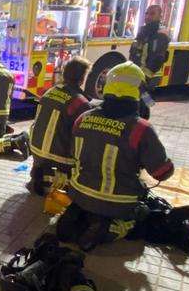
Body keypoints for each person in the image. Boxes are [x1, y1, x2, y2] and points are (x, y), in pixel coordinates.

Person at [58, 62, 174, 251]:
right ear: (138, 91)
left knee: (83, 206)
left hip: (79, 192)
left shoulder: (83, 118)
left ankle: (78, 216)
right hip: (119, 202)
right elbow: (161, 172)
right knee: (144, 216)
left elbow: (73, 153)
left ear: (106, 86)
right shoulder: (141, 129)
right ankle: (111, 228)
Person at [27, 57, 93, 195]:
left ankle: (39, 172)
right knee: (88, 180)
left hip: (36, 150)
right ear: (82, 78)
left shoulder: (50, 91)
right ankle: (46, 177)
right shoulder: (80, 103)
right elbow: (85, 138)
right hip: (57, 157)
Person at [129, 5, 170, 119]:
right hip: (136, 73)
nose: (148, 16)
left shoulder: (160, 34)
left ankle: (143, 124)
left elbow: (158, 58)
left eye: (152, 14)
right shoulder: (143, 30)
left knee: (143, 102)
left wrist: (146, 76)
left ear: (160, 16)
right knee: (137, 101)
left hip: (146, 76)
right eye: (147, 13)